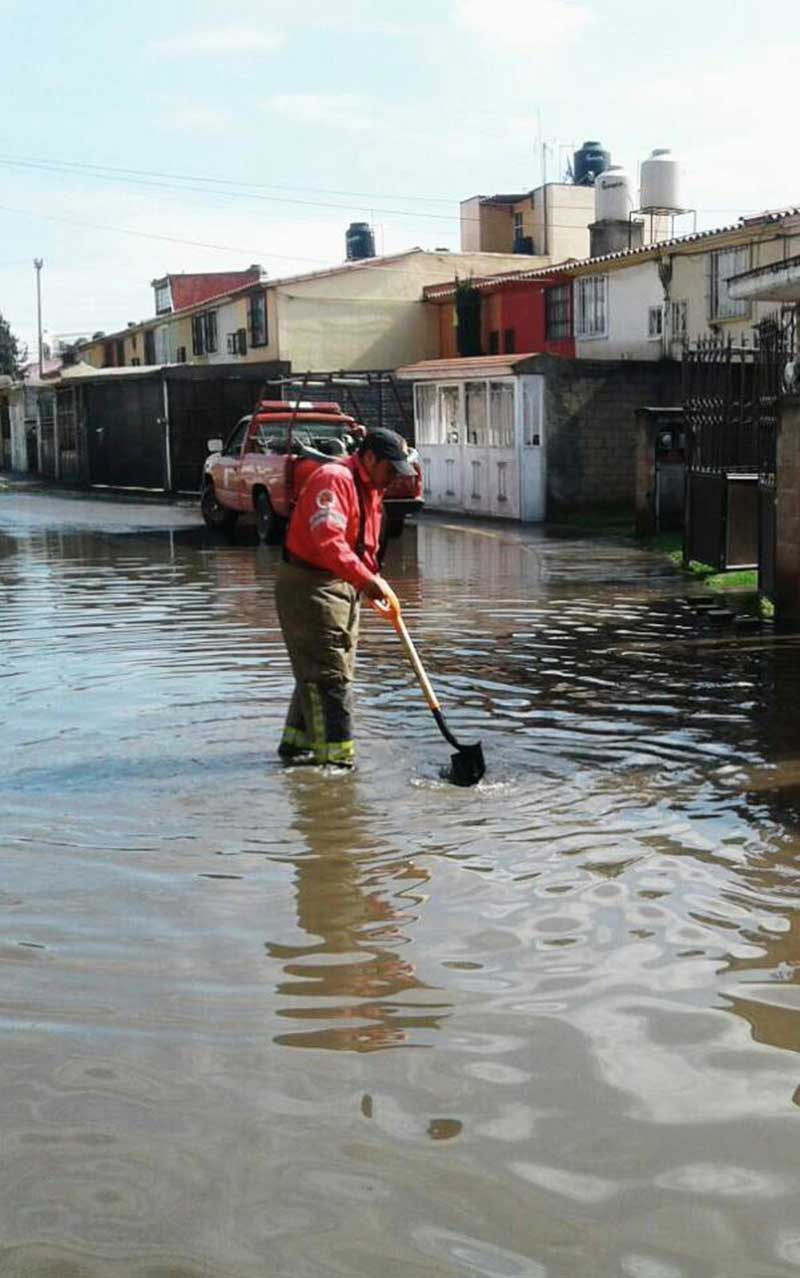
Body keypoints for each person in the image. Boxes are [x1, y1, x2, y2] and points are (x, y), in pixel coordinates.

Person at [274, 427, 413, 768]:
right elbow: (329, 540)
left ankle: (298, 745)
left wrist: (372, 580)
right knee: (330, 676)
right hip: (312, 585)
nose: (395, 476)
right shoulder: (334, 479)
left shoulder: (371, 487)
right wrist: (367, 581)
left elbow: (361, 542)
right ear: (369, 458)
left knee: (321, 669)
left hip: (341, 584)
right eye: (390, 468)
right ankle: (335, 770)